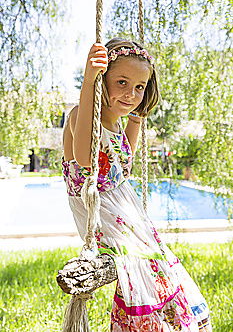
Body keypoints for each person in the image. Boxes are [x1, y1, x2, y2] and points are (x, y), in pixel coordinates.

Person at [62, 38, 212, 331]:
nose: (131, 93)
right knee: (142, 265)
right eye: (121, 82)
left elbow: (123, 168)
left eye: (140, 87)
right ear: (101, 80)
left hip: (123, 205)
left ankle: (174, 321)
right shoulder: (82, 115)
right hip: (99, 208)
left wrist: (136, 119)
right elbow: (85, 158)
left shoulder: (118, 121)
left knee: (162, 262)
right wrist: (88, 81)